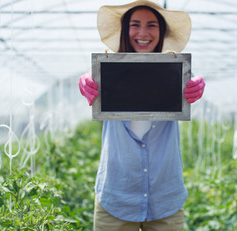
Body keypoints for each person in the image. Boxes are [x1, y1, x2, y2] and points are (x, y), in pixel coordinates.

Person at [78, 1, 205, 230]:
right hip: (116, 197)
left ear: (162, 31)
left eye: (152, 25)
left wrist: (196, 83)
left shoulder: (175, 71)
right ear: (126, 30)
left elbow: (191, 79)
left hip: (165, 198)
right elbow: (92, 78)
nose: (143, 33)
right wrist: (86, 79)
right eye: (135, 25)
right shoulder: (108, 71)